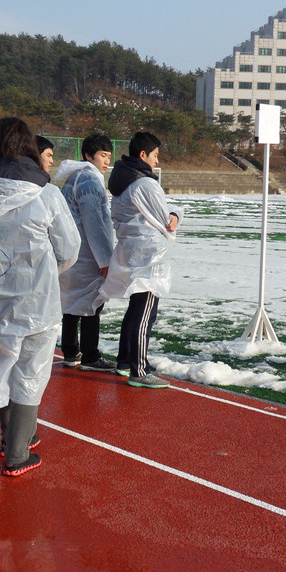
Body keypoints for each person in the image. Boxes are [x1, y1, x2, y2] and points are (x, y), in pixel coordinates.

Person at [0, 117, 79, 476]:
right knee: (29, 372)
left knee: (0, 367)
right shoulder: (46, 195)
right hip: (36, 302)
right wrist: (42, 274)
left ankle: (13, 437)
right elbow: (69, 249)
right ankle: (17, 452)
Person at [100, 131, 182, 389]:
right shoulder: (145, 184)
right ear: (143, 155)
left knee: (136, 309)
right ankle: (139, 369)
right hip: (148, 257)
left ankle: (125, 362)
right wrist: (176, 214)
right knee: (145, 312)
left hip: (132, 252)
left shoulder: (123, 181)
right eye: (155, 155)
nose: (157, 161)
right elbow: (166, 221)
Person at [54, 134, 115, 370]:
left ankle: (70, 352)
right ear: (88, 155)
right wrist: (105, 260)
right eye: (102, 155)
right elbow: (95, 224)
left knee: (71, 302)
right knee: (92, 303)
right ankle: (90, 356)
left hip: (72, 251)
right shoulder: (89, 181)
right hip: (87, 254)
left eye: (109, 156)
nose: (107, 161)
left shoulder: (75, 177)